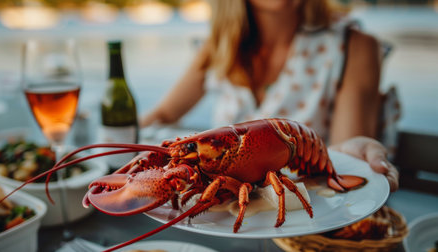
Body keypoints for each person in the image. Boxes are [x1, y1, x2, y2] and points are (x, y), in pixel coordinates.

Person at [141, 0, 398, 191]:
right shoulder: (219, 48)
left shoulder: (354, 46)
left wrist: (348, 155)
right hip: (232, 210)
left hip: (313, 208)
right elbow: (163, 114)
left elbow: (346, 155)